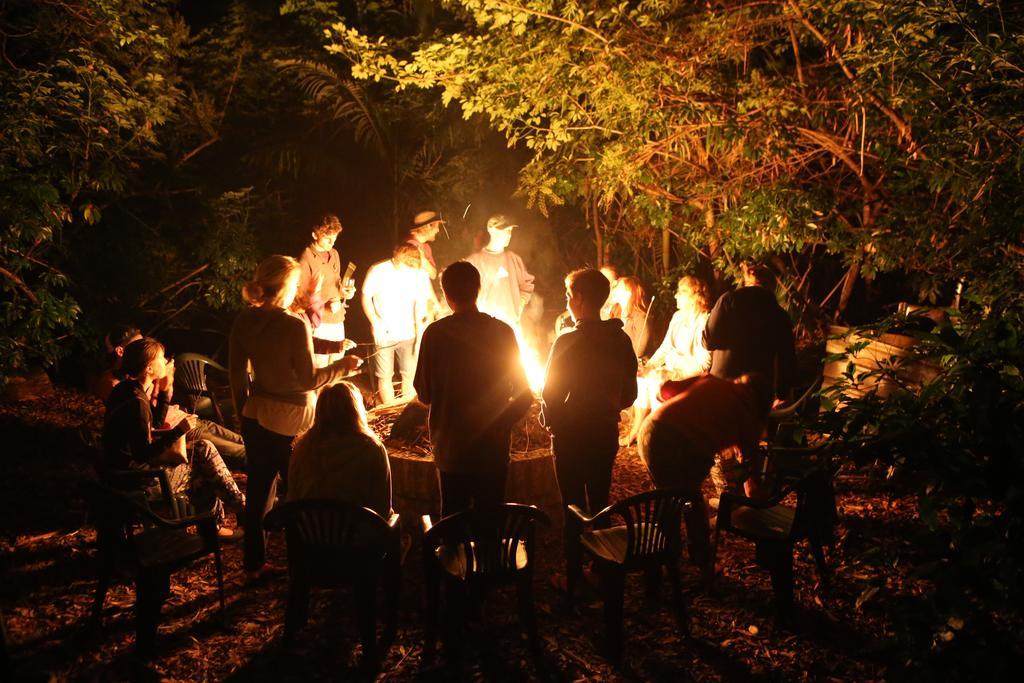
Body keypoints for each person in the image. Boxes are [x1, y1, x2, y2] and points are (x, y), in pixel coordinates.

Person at [229, 255, 362, 578]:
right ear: (287, 285)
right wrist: (342, 368)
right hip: (292, 421)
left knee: (259, 491)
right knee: (302, 491)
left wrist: (241, 413)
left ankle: (254, 564)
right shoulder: (293, 323)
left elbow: (235, 373)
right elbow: (308, 380)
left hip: (256, 415)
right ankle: (307, 561)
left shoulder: (246, 319)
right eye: (297, 282)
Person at [413, 261, 532, 517]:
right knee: (490, 520)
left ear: (445, 295)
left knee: (453, 522)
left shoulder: (434, 335)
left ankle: (457, 557)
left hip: (451, 450)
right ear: (478, 289)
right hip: (493, 451)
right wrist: (501, 423)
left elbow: (424, 393)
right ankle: (490, 557)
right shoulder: (503, 332)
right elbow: (525, 394)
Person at [543, 269, 637, 585]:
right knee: (600, 499)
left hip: (570, 436)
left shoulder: (568, 340)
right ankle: (604, 566)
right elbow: (630, 394)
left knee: (571, 506)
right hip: (604, 432)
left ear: (581, 298)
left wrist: (554, 420)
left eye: (569, 296)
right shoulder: (621, 339)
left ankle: (574, 578)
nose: (568, 302)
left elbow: (550, 394)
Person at [104, 338, 245, 538]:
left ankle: (230, 514)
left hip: (123, 473)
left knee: (203, 449)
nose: (167, 361)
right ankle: (231, 516)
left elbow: (155, 423)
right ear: (149, 368)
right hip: (136, 481)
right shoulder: (136, 402)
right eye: (161, 359)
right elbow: (143, 453)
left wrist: (165, 390)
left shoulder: (126, 389)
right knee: (202, 464)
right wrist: (180, 430)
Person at [636, 373, 773, 575]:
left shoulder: (713, 381)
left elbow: (665, 391)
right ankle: (699, 561)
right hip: (686, 446)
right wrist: (758, 507)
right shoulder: (751, 417)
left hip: (651, 430)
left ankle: (662, 558)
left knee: (667, 498)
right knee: (691, 502)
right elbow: (748, 469)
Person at [94, 323, 248, 469]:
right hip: (174, 434)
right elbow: (146, 429)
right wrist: (178, 429)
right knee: (246, 453)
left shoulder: (135, 385)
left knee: (247, 443)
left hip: (183, 421)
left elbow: (155, 416)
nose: (145, 345)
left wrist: (166, 387)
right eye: (140, 345)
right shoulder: (123, 390)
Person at [287, 382, 392, 517]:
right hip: (357, 535)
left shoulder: (301, 448)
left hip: (309, 535)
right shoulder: (372, 450)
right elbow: (382, 509)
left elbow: (292, 501)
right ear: (356, 411)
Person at [704, 262, 796, 403]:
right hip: (756, 392)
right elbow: (786, 360)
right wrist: (781, 394)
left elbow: (708, 342)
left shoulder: (728, 300)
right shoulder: (780, 315)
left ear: (746, 282)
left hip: (721, 386)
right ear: (772, 287)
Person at [361, 243, 434, 404]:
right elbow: (366, 296)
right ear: (397, 260)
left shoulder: (419, 273)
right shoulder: (379, 270)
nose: (411, 272)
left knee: (410, 375)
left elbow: (424, 302)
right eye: (408, 268)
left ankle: (404, 414)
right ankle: (389, 413)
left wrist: (421, 331)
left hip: (410, 335)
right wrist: (375, 322)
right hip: (385, 334)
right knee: (385, 375)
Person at [298, 214, 356, 367]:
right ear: (314, 234)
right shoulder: (306, 259)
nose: (332, 242)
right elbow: (301, 299)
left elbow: (335, 286)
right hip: (319, 324)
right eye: (327, 238)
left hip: (337, 320)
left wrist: (344, 293)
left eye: (335, 238)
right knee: (320, 370)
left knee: (337, 368)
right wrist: (325, 306)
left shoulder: (334, 254)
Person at [464, 215, 535, 330]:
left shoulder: (513, 259)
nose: (509, 235)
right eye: (505, 230)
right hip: (483, 328)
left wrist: (519, 305)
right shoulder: (474, 261)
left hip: (510, 327)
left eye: (510, 231)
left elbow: (527, 285)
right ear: (491, 230)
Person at [607, 276, 654, 358]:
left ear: (629, 292)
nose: (614, 290)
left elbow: (639, 350)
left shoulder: (640, 317)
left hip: (637, 364)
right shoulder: (616, 313)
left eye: (618, 287)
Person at [407, 210, 444, 280]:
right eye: (437, 226)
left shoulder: (426, 247)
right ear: (428, 226)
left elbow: (433, 275)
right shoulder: (409, 247)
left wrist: (425, 262)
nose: (438, 230)